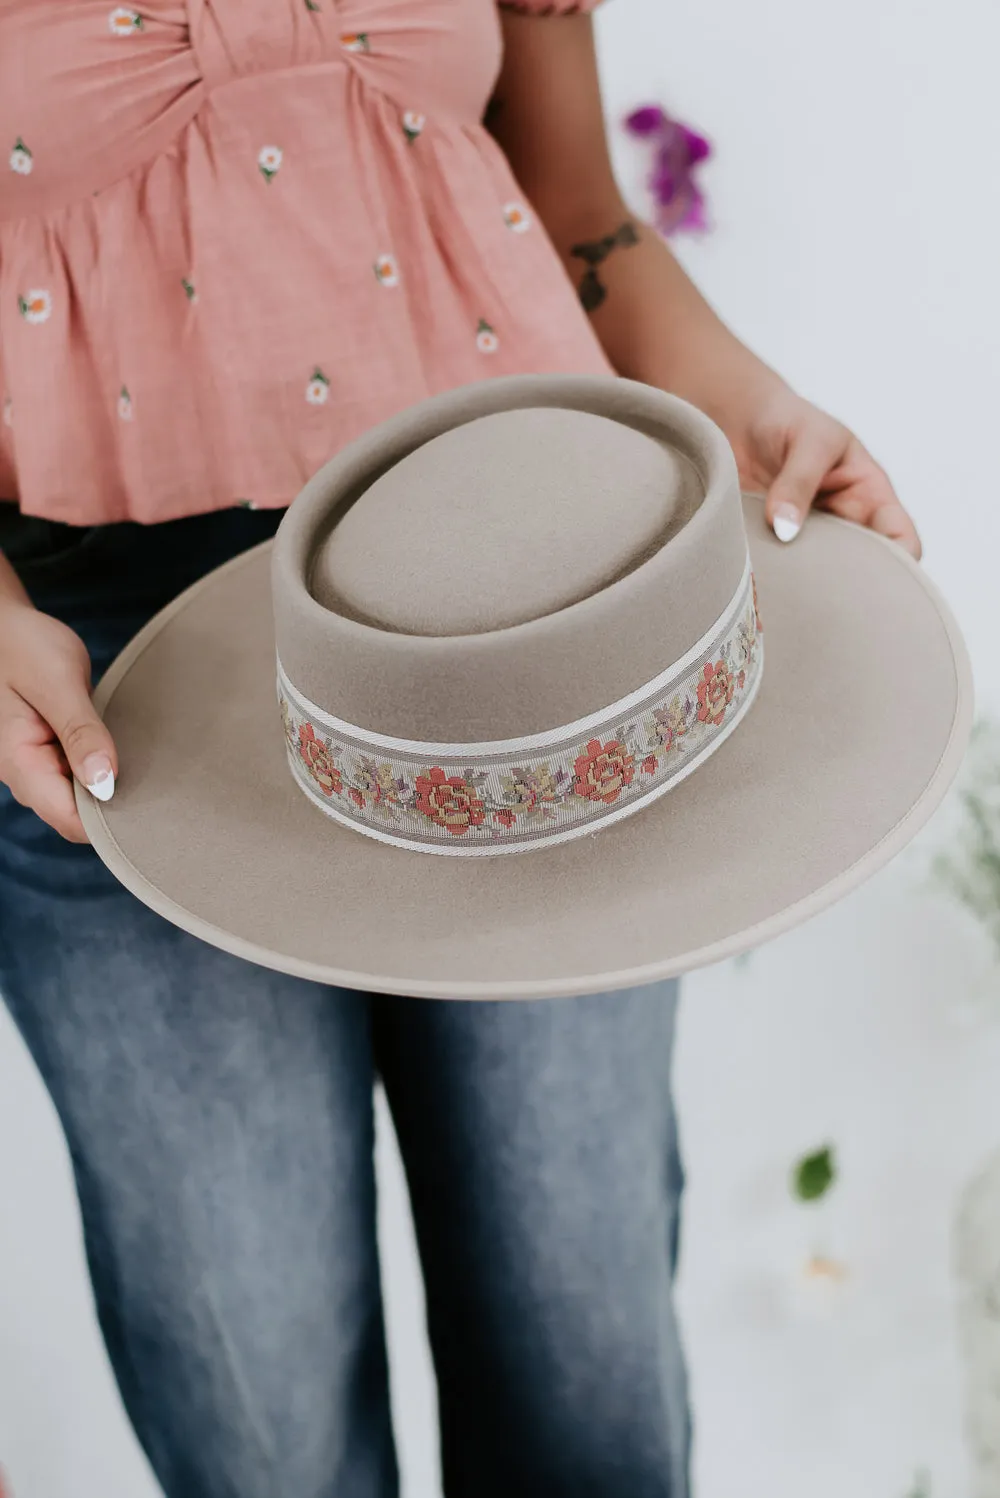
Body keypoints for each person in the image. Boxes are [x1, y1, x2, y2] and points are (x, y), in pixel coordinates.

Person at [0, 4, 921, 1497]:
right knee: (262, 1419)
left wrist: (741, 404)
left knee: (590, 1367)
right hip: (113, 688)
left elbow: (576, 220)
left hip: (530, 612)